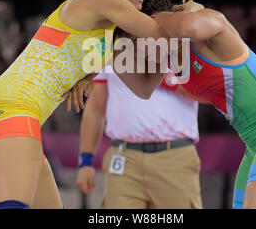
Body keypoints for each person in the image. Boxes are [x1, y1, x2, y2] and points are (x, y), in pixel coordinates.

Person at [0, 0, 168, 209]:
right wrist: (191, 13)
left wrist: (88, 75)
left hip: (13, 113)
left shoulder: (104, 23)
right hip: (12, 109)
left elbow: (144, 84)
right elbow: (161, 34)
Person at [140, 0, 256, 209]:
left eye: (141, 33)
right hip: (255, 144)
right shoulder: (174, 59)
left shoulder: (210, 30)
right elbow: (201, 93)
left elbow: (194, 26)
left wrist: (153, 20)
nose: (141, 43)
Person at [76, 49, 203, 208]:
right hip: (124, 158)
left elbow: (211, 94)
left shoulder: (183, 40)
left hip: (174, 158)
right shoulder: (111, 44)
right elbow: (95, 107)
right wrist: (85, 162)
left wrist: (160, 79)